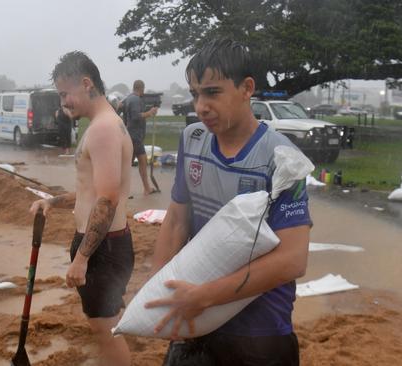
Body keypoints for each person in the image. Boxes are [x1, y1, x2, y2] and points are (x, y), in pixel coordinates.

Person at [147, 39, 312, 365]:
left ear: (246, 88)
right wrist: (156, 292)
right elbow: (178, 219)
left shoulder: (282, 158)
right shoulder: (192, 140)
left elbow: (293, 260)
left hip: (260, 333)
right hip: (196, 319)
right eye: (195, 94)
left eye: (212, 92)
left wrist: (205, 296)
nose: (200, 106)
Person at [29, 51, 134, 366]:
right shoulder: (106, 124)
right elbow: (91, 191)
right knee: (107, 325)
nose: (63, 103)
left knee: (106, 331)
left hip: (102, 247)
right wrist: (52, 201)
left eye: (65, 94)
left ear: (86, 84)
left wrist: (82, 258)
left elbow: (107, 200)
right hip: (108, 243)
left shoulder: (103, 129)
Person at [122, 80, 159, 195]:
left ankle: (121, 191)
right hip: (135, 136)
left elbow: (124, 115)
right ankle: (145, 189)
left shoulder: (128, 99)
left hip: (131, 135)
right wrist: (150, 112)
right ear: (142, 88)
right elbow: (136, 116)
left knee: (128, 164)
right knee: (141, 161)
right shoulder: (135, 100)